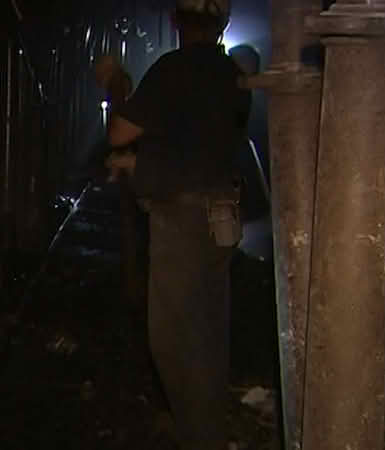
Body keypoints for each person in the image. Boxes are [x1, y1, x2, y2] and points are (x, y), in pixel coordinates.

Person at [101, 1, 252, 449]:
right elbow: (199, 143)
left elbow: (119, 132)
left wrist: (114, 86)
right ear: (222, 23)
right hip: (221, 218)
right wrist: (141, 163)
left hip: (183, 221)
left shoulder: (173, 69)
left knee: (172, 340)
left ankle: (198, 437)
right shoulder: (230, 74)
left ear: (176, 22)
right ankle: (205, 429)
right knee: (208, 330)